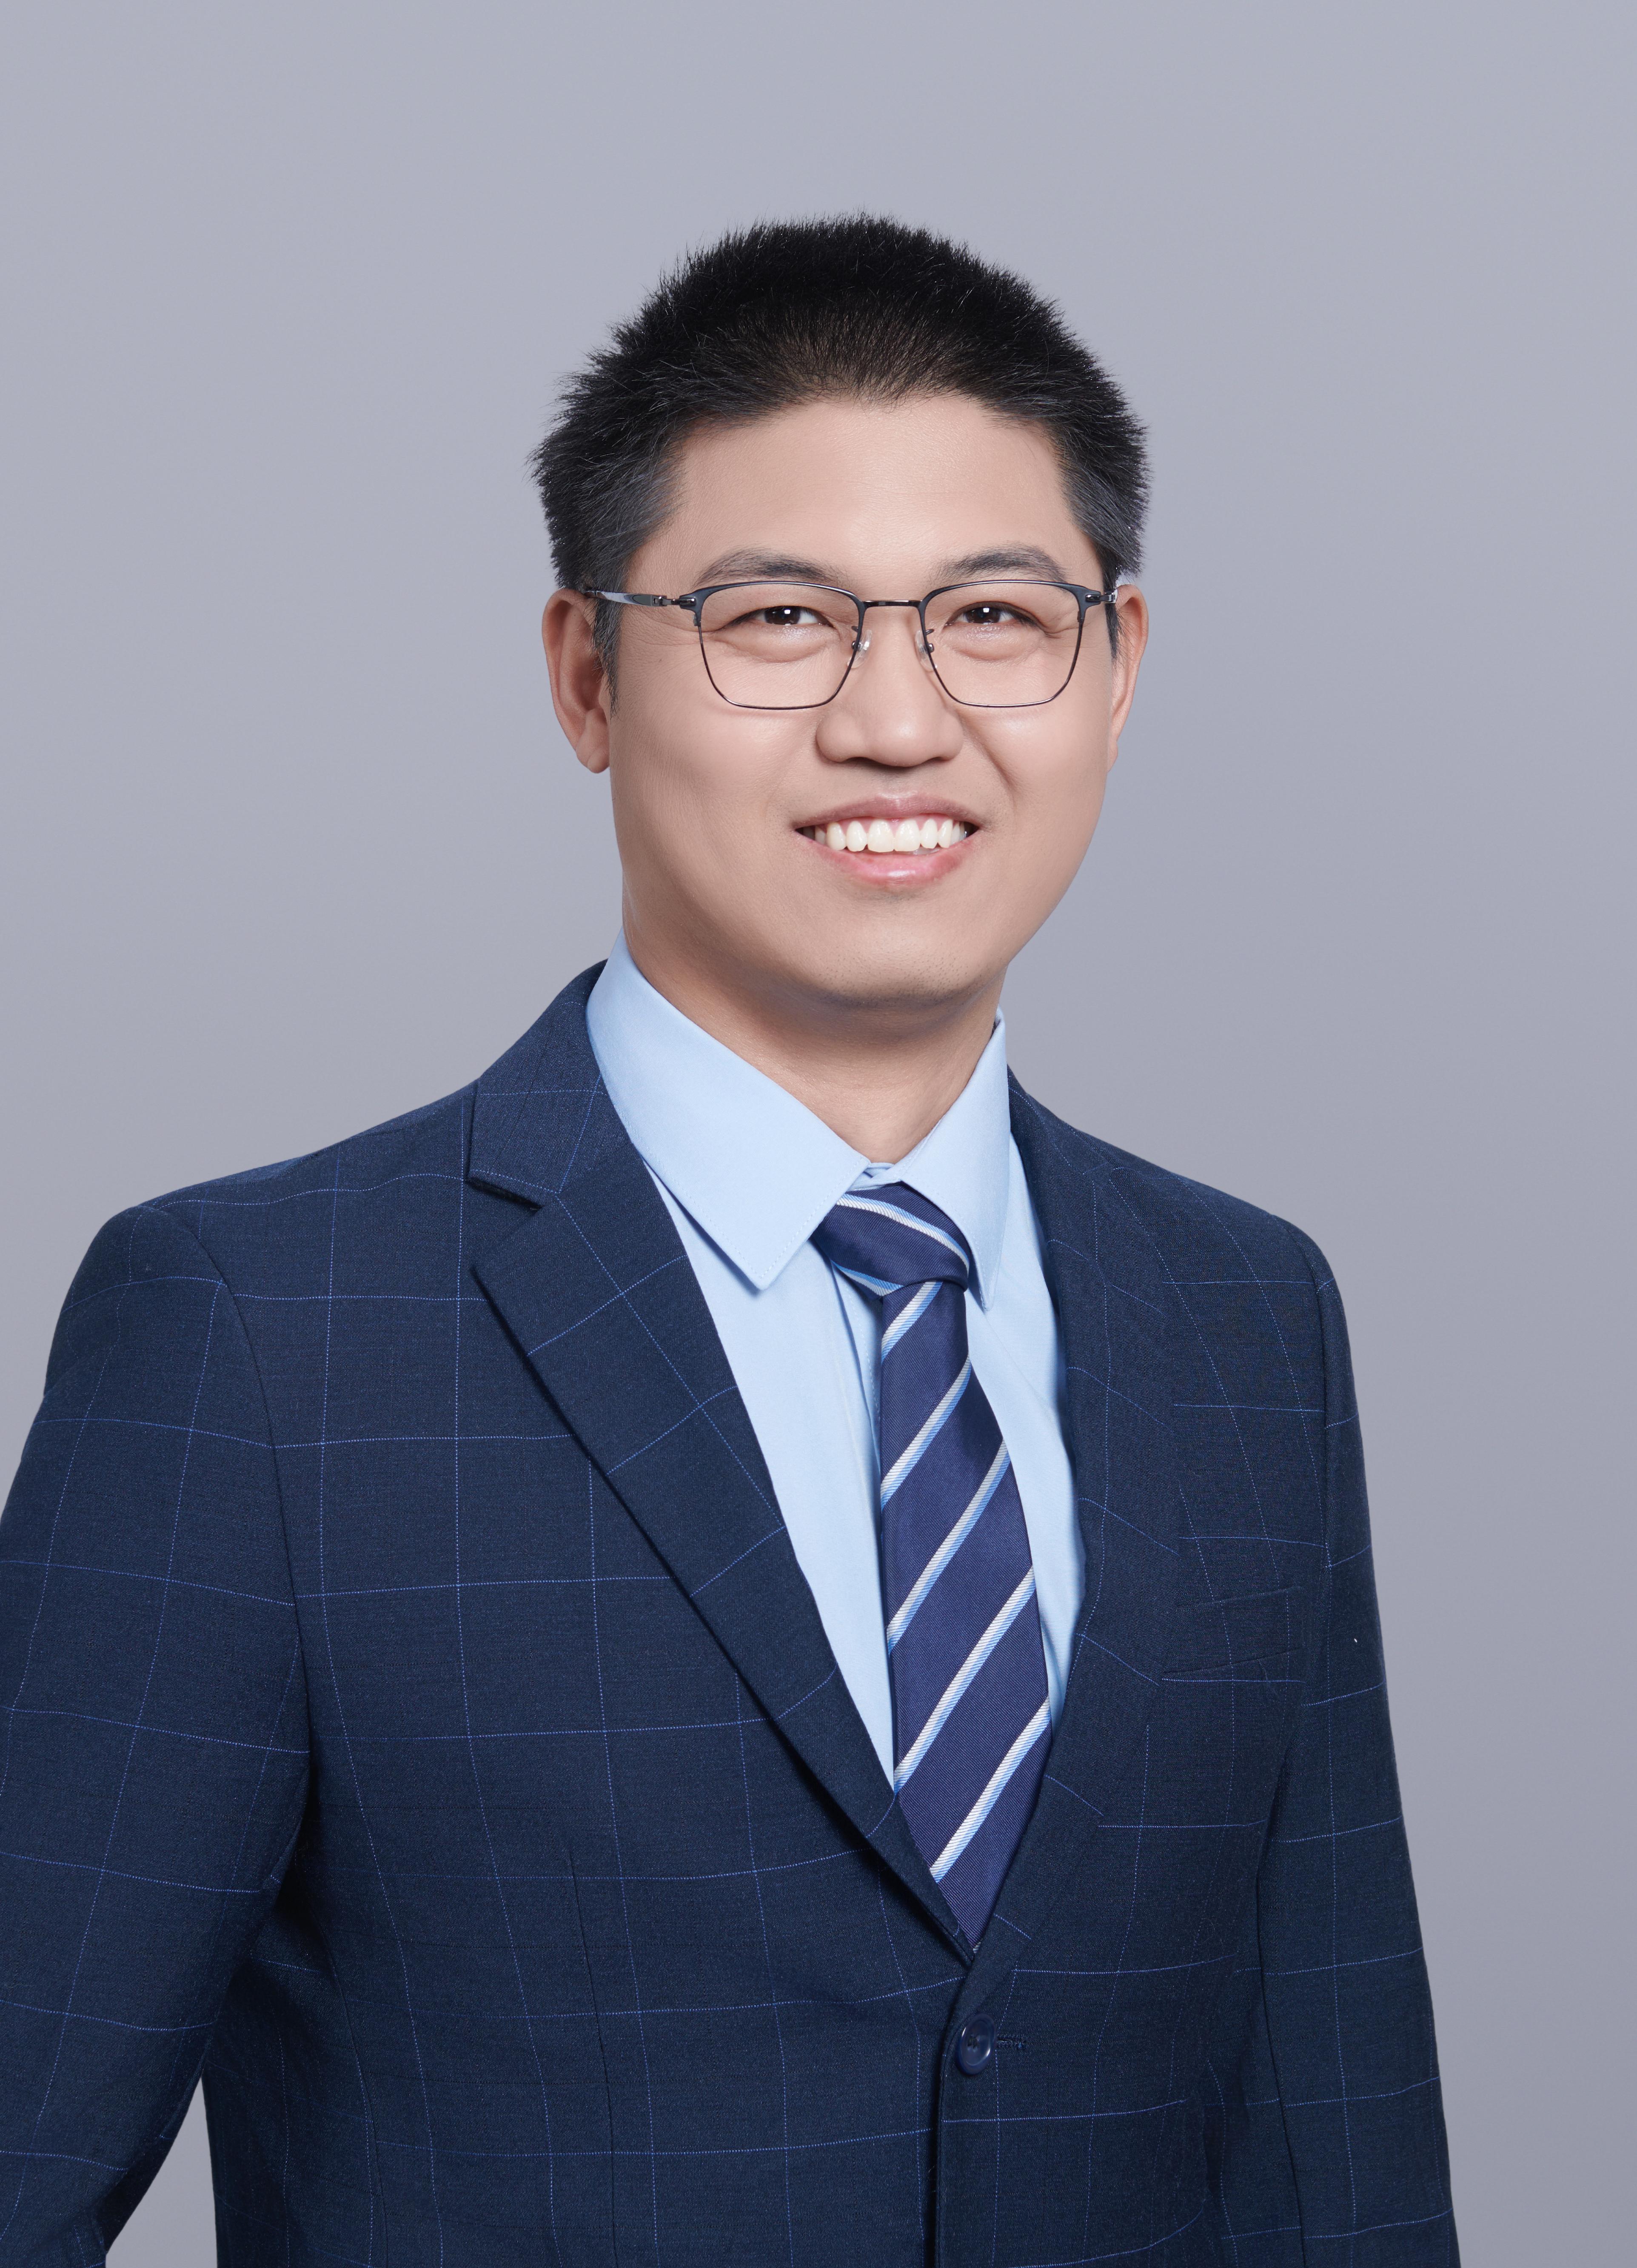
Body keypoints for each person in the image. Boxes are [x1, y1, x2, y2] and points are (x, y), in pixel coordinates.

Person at [0, 216, 1457, 2266]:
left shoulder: (1242, 1318)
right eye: (778, 617)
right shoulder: (257, 1339)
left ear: (1116, 665)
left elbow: (1343, 2164)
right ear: (587, 674)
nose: (897, 721)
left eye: (992, 615)